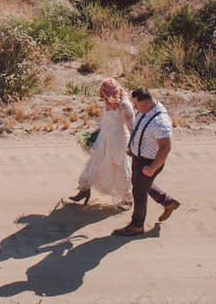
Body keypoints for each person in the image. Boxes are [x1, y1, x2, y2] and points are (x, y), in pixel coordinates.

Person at [113, 87, 181, 236]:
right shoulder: (145, 111)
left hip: (149, 161)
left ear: (145, 104)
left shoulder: (160, 121)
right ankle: (168, 202)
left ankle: (137, 225)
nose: (135, 108)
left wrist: (151, 168)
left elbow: (165, 148)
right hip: (139, 157)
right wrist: (132, 146)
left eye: (136, 105)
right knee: (139, 183)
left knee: (139, 192)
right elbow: (138, 130)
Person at [68, 78, 134, 208]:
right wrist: (97, 131)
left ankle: (127, 197)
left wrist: (132, 145)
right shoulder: (107, 101)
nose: (101, 95)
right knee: (94, 162)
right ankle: (84, 189)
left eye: (103, 92)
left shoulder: (124, 104)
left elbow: (132, 126)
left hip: (117, 140)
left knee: (119, 167)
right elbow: (106, 118)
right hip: (104, 136)